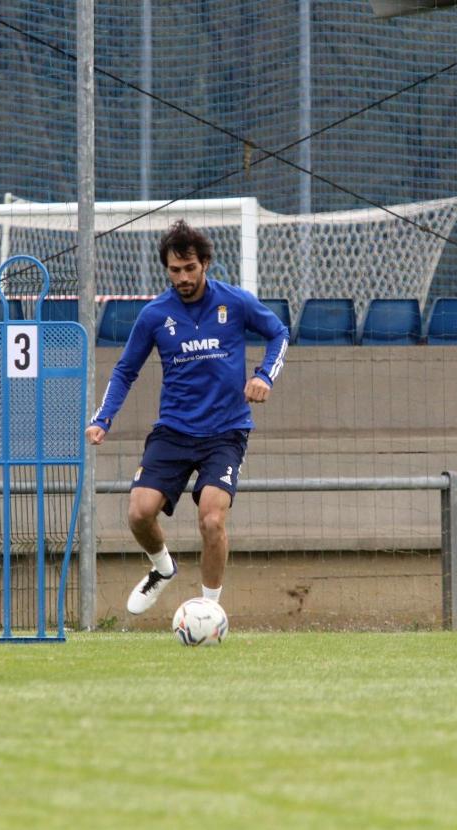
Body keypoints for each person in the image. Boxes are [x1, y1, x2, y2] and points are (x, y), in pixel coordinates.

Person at [86, 220, 289, 617]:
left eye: (190, 268)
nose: (182, 277)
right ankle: (162, 568)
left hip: (225, 432)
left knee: (212, 520)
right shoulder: (154, 315)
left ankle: (208, 612)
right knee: (139, 512)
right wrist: (103, 419)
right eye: (175, 270)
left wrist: (265, 376)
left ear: (205, 264)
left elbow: (279, 332)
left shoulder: (235, 303)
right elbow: (126, 370)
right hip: (174, 430)